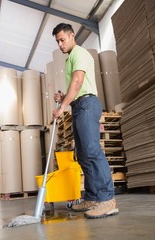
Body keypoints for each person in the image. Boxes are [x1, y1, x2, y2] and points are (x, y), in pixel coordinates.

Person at [52, 23, 119, 219]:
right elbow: (77, 87)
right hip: (80, 105)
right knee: (82, 154)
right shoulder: (70, 58)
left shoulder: (79, 53)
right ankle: (92, 198)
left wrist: (62, 106)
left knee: (92, 151)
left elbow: (79, 81)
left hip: (88, 105)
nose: (60, 44)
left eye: (62, 40)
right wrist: (64, 97)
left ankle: (107, 200)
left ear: (72, 36)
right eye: (57, 41)